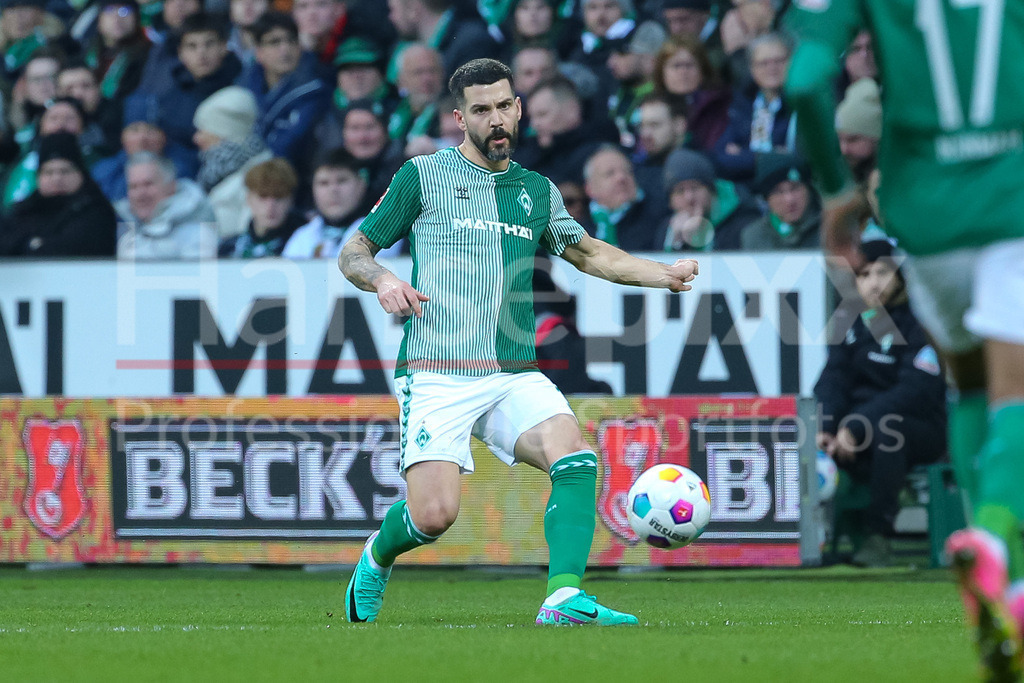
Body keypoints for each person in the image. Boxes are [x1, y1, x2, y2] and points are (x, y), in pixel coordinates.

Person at [338, 57, 698, 626]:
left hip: (511, 371)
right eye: (481, 110)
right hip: (436, 371)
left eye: (504, 105)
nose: (496, 119)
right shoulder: (422, 176)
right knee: (433, 516)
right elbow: (353, 252)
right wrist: (383, 280)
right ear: (460, 119)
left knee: (575, 457)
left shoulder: (535, 191)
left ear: (519, 108)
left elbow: (590, 254)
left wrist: (663, 274)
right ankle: (377, 555)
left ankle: (562, 598)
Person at [786, 2, 1024, 679]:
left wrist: (838, 190)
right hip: (1012, 200)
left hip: (925, 217)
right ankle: (994, 539)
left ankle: (1004, 592)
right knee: (1016, 397)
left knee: (968, 386)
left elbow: (803, 81)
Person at [813, 239, 946, 567]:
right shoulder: (850, 320)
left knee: (889, 431)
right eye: (865, 274)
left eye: (882, 272)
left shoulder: (920, 321)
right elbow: (833, 378)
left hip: (920, 426)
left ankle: (878, 536)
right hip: (857, 426)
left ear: (900, 277)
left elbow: (917, 390)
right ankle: (828, 536)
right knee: (810, 437)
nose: (873, 282)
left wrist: (857, 425)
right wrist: (827, 425)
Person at [0, 132, 117, 256]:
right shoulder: (23, 211)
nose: (57, 178)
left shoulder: (96, 210)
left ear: (81, 174)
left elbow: (71, 248)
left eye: (65, 171)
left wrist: (30, 245)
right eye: (48, 172)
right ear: (38, 177)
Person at [282, 147, 402, 258]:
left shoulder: (383, 234)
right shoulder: (300, 237)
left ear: (361, 185)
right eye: (324, 183)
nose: (333, 190)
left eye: (341, 181)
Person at [192, 85, 271, 238]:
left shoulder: (260, 176)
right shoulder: (214, 172)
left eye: (202, 130)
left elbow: (251, 235)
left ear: (223, 133)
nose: (196, 138)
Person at [115, 151, 218, 259]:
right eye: (133, 186)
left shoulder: (198, 233)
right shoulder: (126, 235)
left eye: (148, 184)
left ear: (171, 187)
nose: (140, 194)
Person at [655, 147, 760, 251]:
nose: (689, 197)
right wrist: (678, 241)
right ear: (671, 202)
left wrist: (699, 237)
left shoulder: (741, 223)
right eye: (680, 191)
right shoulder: (666, 230)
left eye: (695, 188)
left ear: (711, 192)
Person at [582, 143, 668, 251]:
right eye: (610, 173)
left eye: (627, 171)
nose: (621, 178)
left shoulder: (658, 219)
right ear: (590, 188)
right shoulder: (577, 231)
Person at [218, 156, 304, 257]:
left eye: (279, 197)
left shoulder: (306, 244)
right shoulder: (228, 248)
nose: (270, 206)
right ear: (249, 199)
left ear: (291, 200)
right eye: (263, 197)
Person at [740, 153, 819, 251]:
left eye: (795, 188)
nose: (789, 200)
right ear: (767, 199)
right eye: (778, 192)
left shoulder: (829, 227)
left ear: (808, 190)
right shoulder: (754, 236)